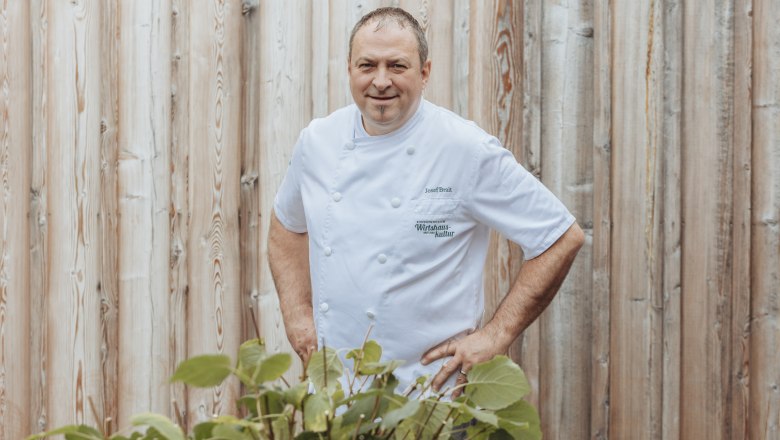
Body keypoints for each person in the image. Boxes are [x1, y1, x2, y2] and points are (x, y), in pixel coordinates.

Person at [268, 6, 584, 397]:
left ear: (425, 72)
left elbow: (559, 236)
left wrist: (496, 335)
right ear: (349, 68)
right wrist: (297, 313)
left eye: (397, 66)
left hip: (431, 399)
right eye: (367, 65)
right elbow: (286, 225)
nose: (381, 81)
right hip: (335, 397)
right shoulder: (317, 142)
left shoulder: (464, 149)